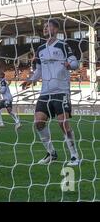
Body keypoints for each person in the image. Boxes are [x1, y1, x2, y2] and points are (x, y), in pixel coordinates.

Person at [21, 19, 80, 166]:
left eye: (49, 26)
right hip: (45, 92)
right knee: (39, 122)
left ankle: (74, 156)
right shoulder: (40, 49)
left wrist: (69, 64)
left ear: (56, 29)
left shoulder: (63, 45)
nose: (46, 29)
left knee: (63, 124)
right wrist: (30, 80)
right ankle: (51, 153)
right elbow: (39, 71)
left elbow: (75, 63)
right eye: (45, 27)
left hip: (61, 91)